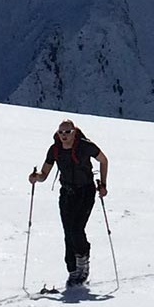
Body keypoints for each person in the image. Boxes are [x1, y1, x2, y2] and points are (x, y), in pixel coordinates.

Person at [28, 119, 108, 287]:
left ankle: (82, 264)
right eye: (61, 132)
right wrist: (36, 178)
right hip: (67, 193)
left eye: (67, 132)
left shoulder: (85, 146)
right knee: (68, 232)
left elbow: (103, 160)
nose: (64, 135)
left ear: (74, 132)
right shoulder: (55, 150)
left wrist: (103, 184)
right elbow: (45, 173)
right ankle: (73, 269)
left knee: (76, 229)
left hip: (85, 192)